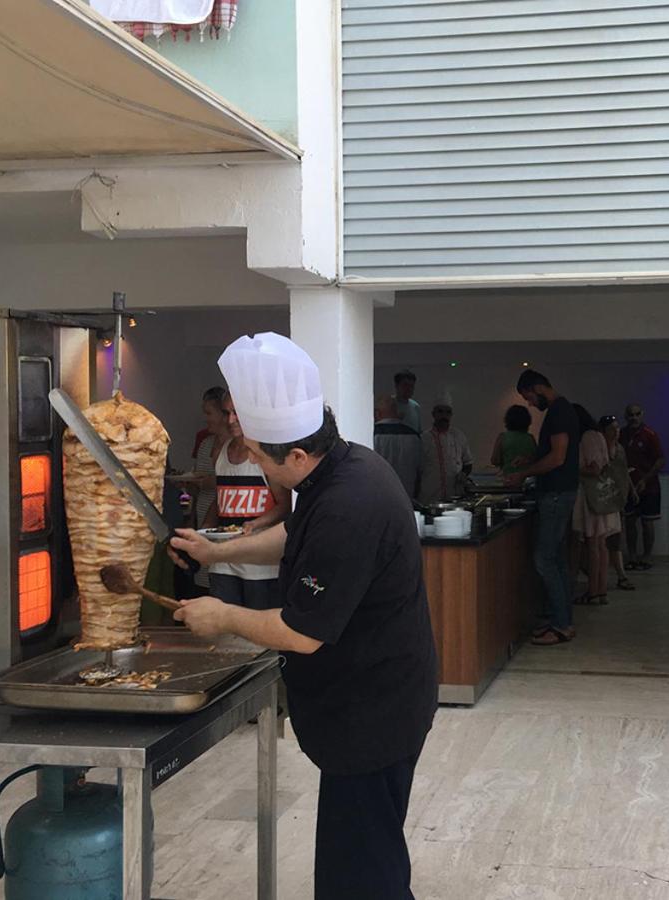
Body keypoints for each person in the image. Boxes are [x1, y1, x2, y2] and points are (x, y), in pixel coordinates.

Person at [170, 332, 438, 900]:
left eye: (259, 455)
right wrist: (216, 553)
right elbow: (295, 535)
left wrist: (222, 615)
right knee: (365, 859)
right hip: (374, 701)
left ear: (294, 455)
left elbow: (302, 632)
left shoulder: (349, 504)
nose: (255, 463)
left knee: (362, 878)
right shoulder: (341, 466)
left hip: (372, 713)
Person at [507, 369, 580, 646]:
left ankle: (561, 625)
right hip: (561, 492)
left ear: (538, 387)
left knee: (544, 558)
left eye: (528, 396)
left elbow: (558, 457)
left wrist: (525, 473)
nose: (529, 403)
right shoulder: (562, 409)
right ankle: (562, 621)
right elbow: (555, 453)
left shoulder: (559, 411)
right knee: (556, 559)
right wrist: (530, 459)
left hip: (556, 494)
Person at [200, 392, 291, 610]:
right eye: (226, 413)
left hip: (260, 565)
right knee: (222, 623)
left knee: (257, 625)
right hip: (224, 561)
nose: (231, 420)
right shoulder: (221, 451)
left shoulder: (266, 454)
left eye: (237, 413)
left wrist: (255, 524)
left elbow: (285, 505)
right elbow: (222, 497)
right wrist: (206, 527)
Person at [572, 405, 622, 606]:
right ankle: (600, 591)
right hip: (602, 496)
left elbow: (594, 469)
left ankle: (593, 591)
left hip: (591, 496)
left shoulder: (587, 437)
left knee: (593, 544)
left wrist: (572, 468)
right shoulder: (598, 435)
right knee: (601, 545)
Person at [187, 386, 230, 594]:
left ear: (224, 415)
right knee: (203, 579)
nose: (205, 418)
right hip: (203, 516)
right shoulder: (205, 444)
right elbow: (198, 478)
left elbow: (233, 482)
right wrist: (191, 486)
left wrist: (213, 482)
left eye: (209, 413)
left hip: (226, 524)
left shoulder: (238, 447)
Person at [620, 403, 665, 570]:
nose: (634, 418)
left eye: (637, 414)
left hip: (649, 486)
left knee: (647, 523)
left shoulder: (650, 435)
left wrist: (645, 479)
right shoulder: (622, 434)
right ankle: (632, 556)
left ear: (642, 414)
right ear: (626, 416)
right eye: (631, 414)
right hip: (628, 485)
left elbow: (660, 460)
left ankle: (647, 557)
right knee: (630, 521)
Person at [600, 414, 637, 592]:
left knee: (615, 538)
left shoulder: (620, 448)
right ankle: (607, 576)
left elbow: (624, 470)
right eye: (612, 429)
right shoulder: (601, 449)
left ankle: (621, 575)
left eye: (617, 428)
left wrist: (632, 490)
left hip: (618, 499)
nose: (616, 432)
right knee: (604, 539)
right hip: (604, 498)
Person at [418, 400, 473, 503]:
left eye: (448, 412)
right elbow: (417, 469)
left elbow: (468, 463)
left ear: (451, 415)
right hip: (430, 495)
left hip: (455, 496)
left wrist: (463, 474)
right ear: (433, 414)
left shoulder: (459, 436)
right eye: (440, 411)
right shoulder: (424, 438)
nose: (444, 416)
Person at [373, 393, 421, 498]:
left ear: (377, 413)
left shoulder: (372, 435)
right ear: (397, 412)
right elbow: (419, 469)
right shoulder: (413, 435)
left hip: (380, 494)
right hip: (407, 494)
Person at [491, 404, 537, 482]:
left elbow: (495, 460)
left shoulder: (503, 437)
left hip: (509, 479)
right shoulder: (530, 438)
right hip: (528, 479)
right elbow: (536, 458)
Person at [393, 369, 422, 434]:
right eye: (405, 385)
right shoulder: (387, 405)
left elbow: (418, 432)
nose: (409, 389)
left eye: (411, 386)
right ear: (397, 386)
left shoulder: (416, 407)